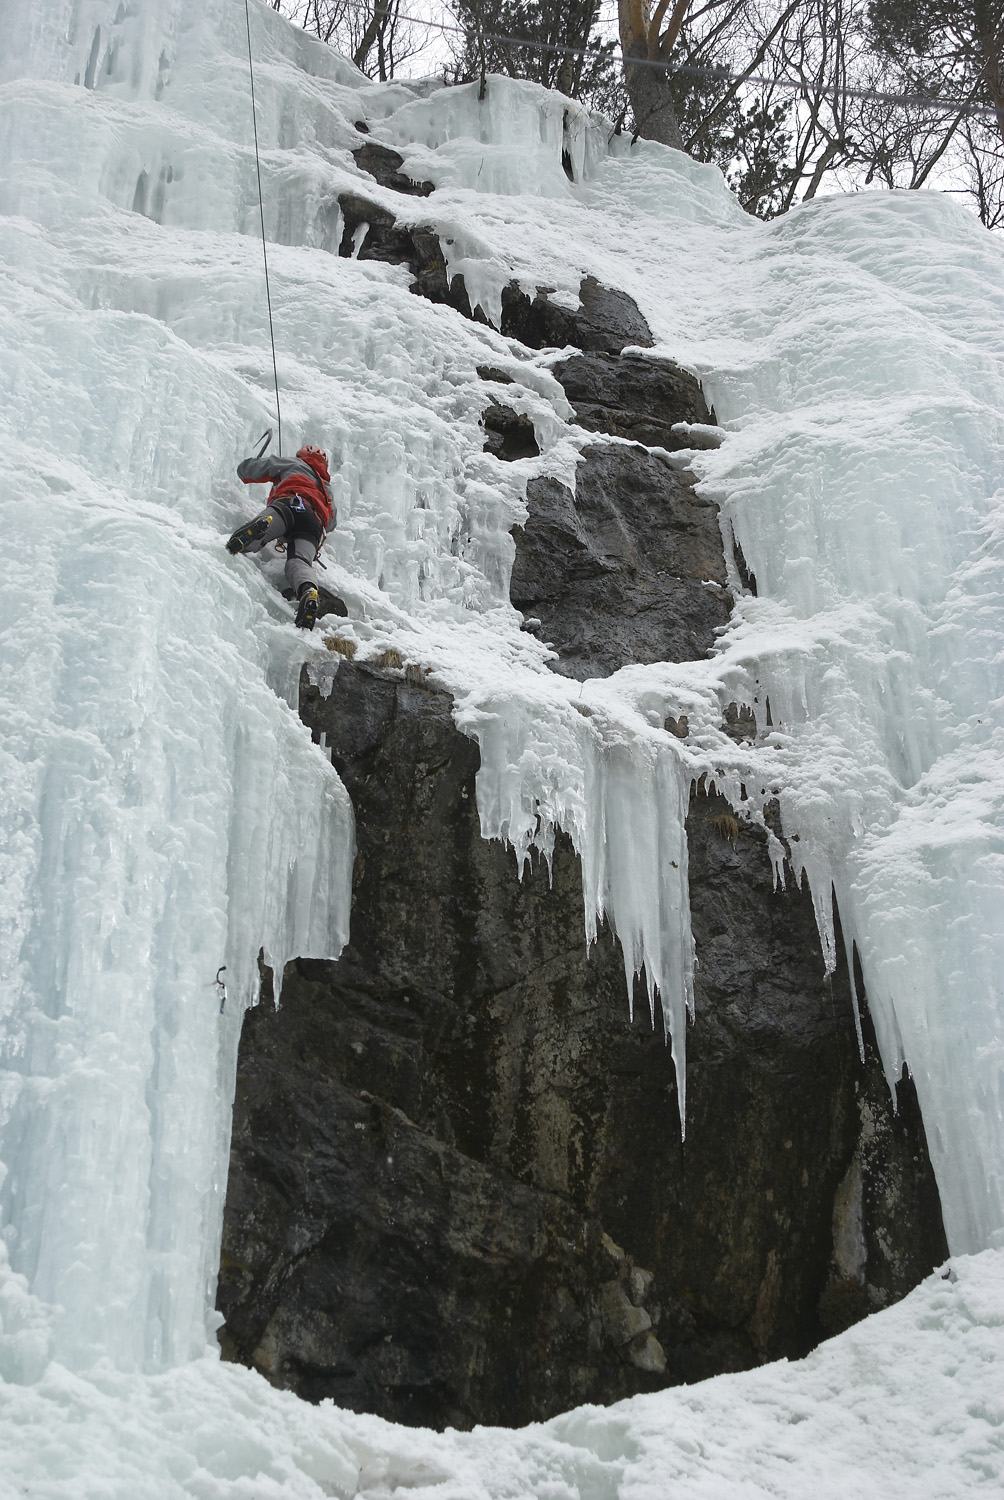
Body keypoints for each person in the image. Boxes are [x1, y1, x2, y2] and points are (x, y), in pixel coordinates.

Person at [226, 443, 336, 630]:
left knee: (266, 525)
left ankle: (262, 527)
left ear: (302, 455)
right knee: (299, 562)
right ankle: (308, 591)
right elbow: (332, 522)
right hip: (313, 526)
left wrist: (250, 464)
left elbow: (249, 470)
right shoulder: (327, 490)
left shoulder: (293, 463)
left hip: (290, 504)